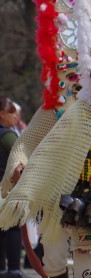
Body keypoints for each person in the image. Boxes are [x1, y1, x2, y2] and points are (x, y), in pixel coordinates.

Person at [0, 97, 22, 278]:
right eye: (11, 113)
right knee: (13, 226)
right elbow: (20, 159)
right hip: (5, 188)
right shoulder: (7, 135)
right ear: (2, 114)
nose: (15, 117)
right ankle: (14, 269)